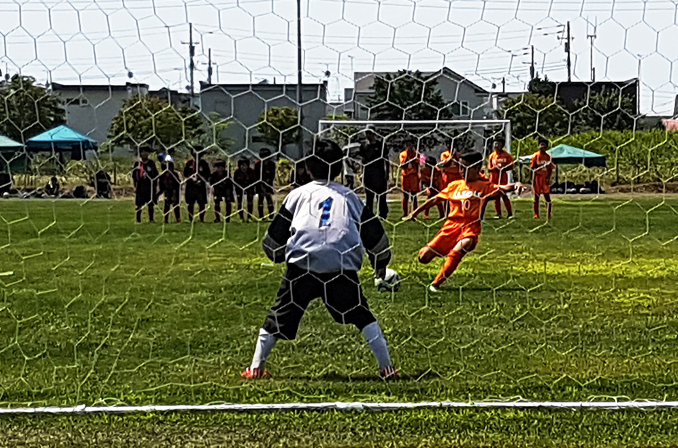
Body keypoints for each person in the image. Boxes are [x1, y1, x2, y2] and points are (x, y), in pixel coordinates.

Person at [241, 139, 398, 380]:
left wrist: (277, 255)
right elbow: (374, 235)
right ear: (338, 168)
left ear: (308, 167)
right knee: (362, 315)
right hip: (340, 265)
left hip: (302, 265)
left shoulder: (297, 195)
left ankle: (255, 368)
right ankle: (387, 368)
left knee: (279, 315)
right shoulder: (350, 198)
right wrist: (380, 263)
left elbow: (273, 240)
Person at [409, 152, 528, 292]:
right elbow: (435, 199)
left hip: (470, 227)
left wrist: (516, 185)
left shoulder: (484, 186)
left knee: (464, 245)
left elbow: (503, 188)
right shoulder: (455, 185)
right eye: (461, 167)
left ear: (477, 168)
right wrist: (415, 212)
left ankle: (436, 284)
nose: (462, 171)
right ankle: (445, 252)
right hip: (450, 227)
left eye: (466, 168)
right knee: (423, 258)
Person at [359, 129, 389, 219]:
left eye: (370, 133)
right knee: (369, 196)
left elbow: (386, 159)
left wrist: (387, 172)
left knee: (381, 195)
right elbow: (362, 160)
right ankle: (369, 214)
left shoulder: (381, 145)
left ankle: (383, 214)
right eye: (367, 133)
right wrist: (362, 173)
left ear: (374, 133)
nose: (368, 135)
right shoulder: (363, 145)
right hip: (368, 173)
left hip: (379, 173)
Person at [487, 137, 515, 218]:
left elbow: (512, 166)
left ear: (502, 145)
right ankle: (498, 214)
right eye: (495, 144)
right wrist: (494, 169)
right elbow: (489, 168)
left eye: (498, 144)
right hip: (494, 178)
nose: (496, 145)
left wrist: (503, 168)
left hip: (503, 178)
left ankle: (510, 213)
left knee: (504, 195)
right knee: (496, 196)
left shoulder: (506, 155)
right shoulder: (492, 156)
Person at [183, 146, 211, 223]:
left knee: (202, 203)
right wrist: (191, 178)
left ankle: (201, 219)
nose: (196, 153)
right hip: (191, 186)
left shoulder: (204, 163)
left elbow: (208, 174)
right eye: (195, 151)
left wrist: (201, 180)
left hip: (201, 186)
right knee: (190, 203)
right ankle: (191, 219)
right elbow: (185, 173)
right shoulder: (189, 163)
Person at [132, 146, 159, 223]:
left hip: (149, 186)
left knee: (151, 203)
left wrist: (155, 186)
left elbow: (156, 175)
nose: (145, 154)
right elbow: (134, 176)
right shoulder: (137, 164)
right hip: (140, 186)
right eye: (143, 152)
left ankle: (151, 219)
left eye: (146, 152)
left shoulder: (151, 163)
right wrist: (135, 186)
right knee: (139, 203)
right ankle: (138, 219)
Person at [531, 137, 555, 220]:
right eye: (541, 145)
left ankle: (549, 214)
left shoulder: (548, 157)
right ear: (538, 146)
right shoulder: (535, 156)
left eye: (544, 145)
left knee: (547, 196)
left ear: (547, 147)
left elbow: (550, 169)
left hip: (545, 179)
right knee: (536, 196)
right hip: (538, 178)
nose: (542, 147)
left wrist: (549, 178)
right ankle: (536, 214)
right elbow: (533, 168)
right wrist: (533, 179)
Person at [399, 138, 420, 218]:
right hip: (405, 176)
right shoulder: (402, 154)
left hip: (414, 176)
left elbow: (422, 161)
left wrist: (416, 158)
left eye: (410, 144)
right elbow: (402, 164)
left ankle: (414, 213)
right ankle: (405, 213)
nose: (409, 146)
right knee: (405, 195)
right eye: (407, 144)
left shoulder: (417, 153)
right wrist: (408, 157)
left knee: (414, 196)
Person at [254, 148, 276, 220]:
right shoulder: (257, 164)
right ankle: (261, 216)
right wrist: (261, 185)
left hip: (268, 183)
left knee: (269, 198)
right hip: (260, 184)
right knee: (261, 198)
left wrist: (268, 185)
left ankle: (271, 215)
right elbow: (256, 176)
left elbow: (272, 175)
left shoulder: (272, 164)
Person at [210, 159, 233, 223]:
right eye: (218, 167)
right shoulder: (213, 175)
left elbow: (230, 184)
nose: (220, 169)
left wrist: (229, 194)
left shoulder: (227, 174)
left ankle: (228, 217)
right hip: (217, 189)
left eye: (221, 167)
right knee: (216, 203)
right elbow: (211, 183)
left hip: (227, 189)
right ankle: (217, 218)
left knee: (228, 202)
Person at [159, 159, 181, 223]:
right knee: (166, 205)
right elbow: (161, 185)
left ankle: (178, 218)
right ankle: (166, 219)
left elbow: (178, 183)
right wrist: (159, 193)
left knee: (176, 205)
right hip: (167, 191)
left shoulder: (175, 174)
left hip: (174, 191)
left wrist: (176, 190)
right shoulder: (162, 176)